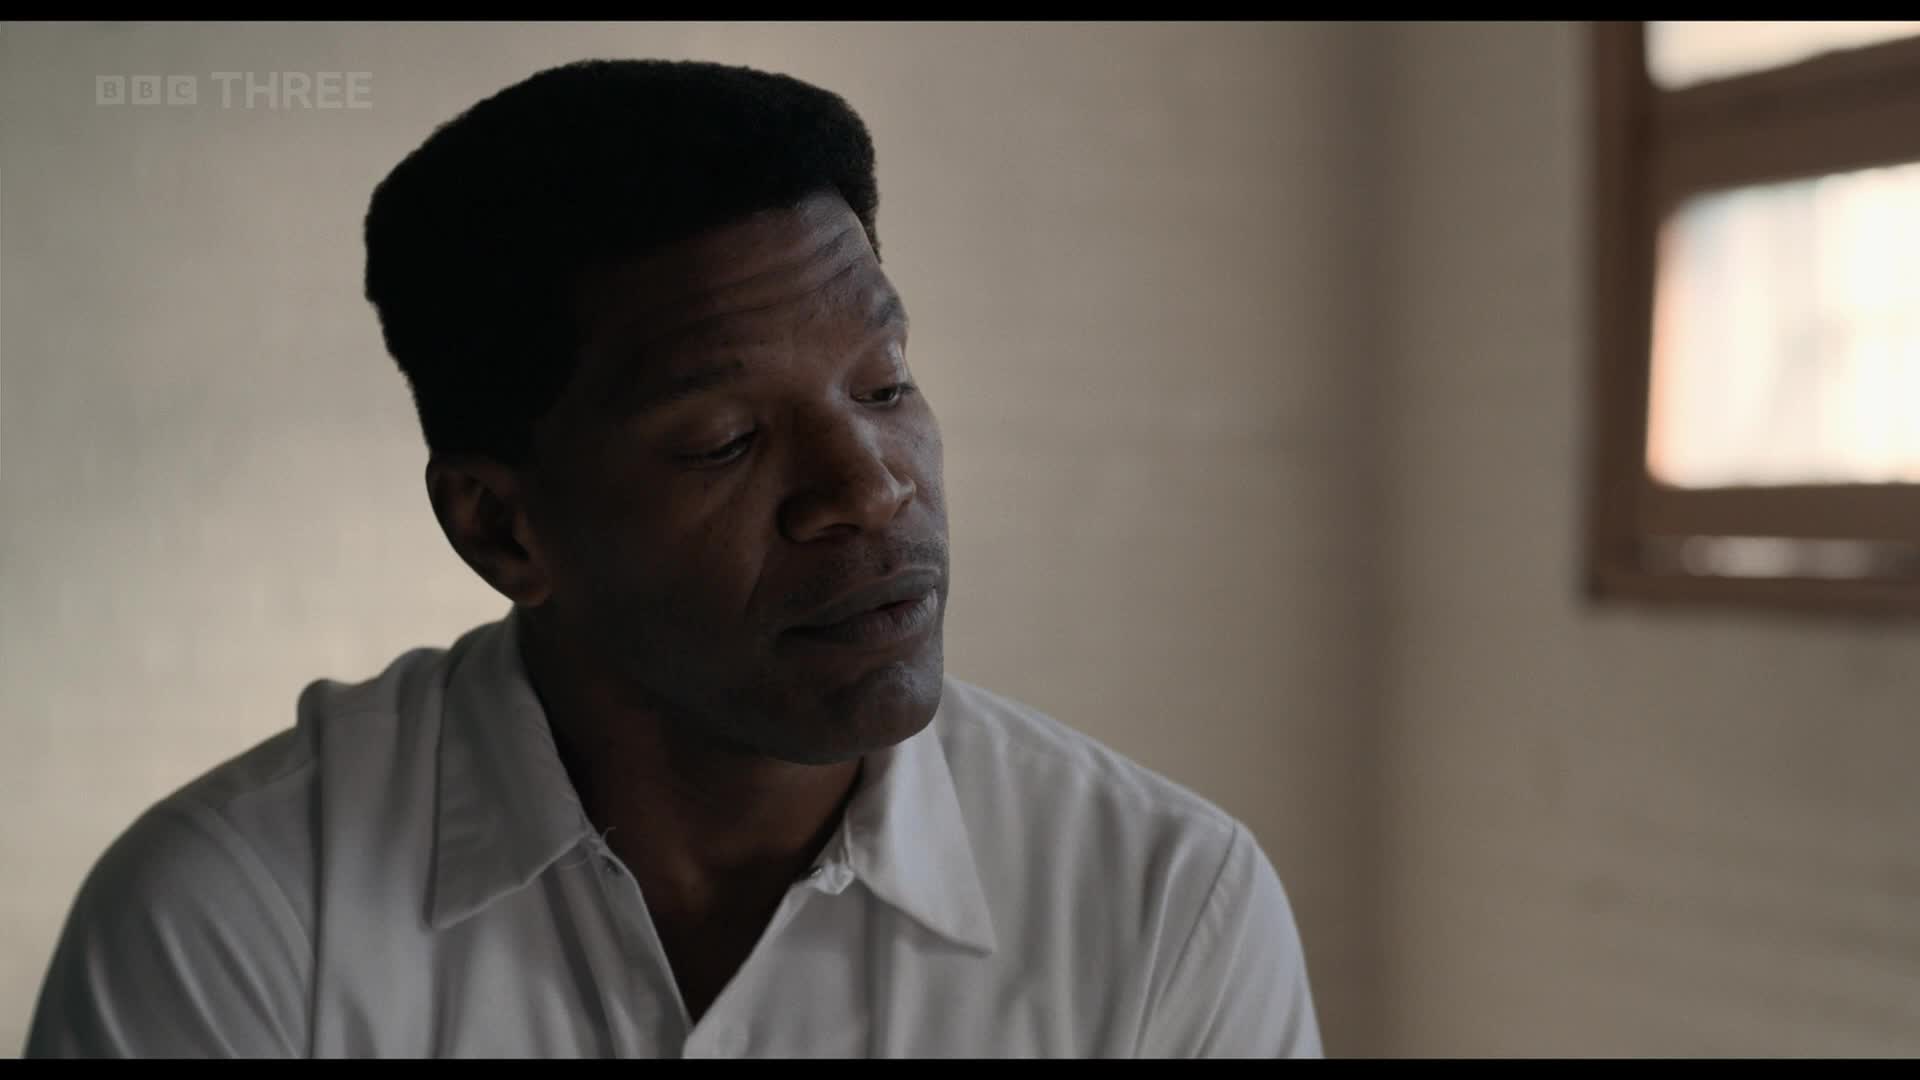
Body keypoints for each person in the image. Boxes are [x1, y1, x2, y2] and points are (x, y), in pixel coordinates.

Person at [23, 58, 1322, 1059]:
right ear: (500, 527)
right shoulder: (236, 919)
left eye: (884, 385)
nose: (869, 488)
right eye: (726, 439)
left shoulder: (1159, 905)